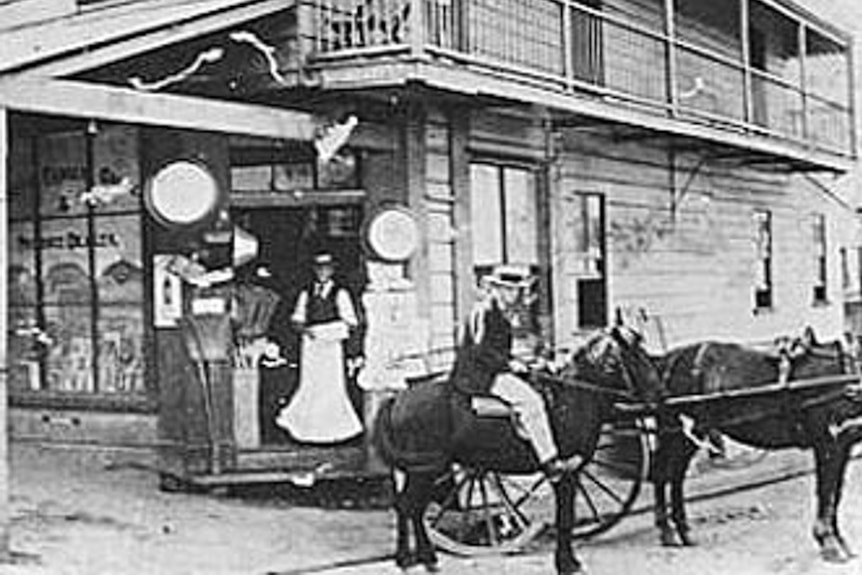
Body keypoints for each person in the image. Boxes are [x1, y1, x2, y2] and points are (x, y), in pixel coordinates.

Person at [449, 264, 582, 481]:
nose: (513, 294)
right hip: (478, 375)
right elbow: (480, 350)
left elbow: (500, 350)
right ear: (497, 289)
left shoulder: (501, 313)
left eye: (516, 290)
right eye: (508, 289)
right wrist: (511, 365)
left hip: (492, 370)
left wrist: (532, 362)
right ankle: (550, 462)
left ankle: (529, 442)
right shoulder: (484, 312)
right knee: (531, 401)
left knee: (540, 385)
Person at [275, 252, 364, 443]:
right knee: (311, 384)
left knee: (330, 386)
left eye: (326, 268)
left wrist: (332, 331)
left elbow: (351, 322)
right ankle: (308, 430)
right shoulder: (307, 293)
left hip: (331, 347)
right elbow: (297, 319)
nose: (322, 272)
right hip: (311, 346)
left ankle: (335, 431)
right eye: (319, 268)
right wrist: (305, 330)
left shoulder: (340, 293)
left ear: (332, 271)